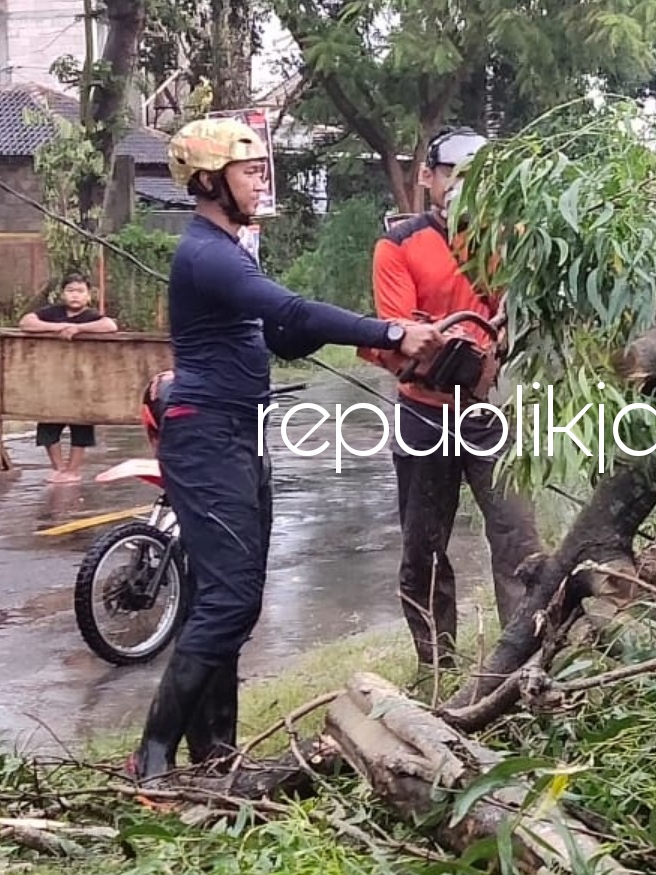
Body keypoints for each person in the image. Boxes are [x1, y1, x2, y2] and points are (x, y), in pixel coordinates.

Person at [124, 116, 444, 782]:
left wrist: (303, 331)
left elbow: (278, 333)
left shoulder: (231, 249)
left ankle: (215, 749)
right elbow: (293, 314)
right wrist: (391, 328)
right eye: (249, 171)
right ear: (209, 180)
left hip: (237, 429)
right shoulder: (206, 253)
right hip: (206, 432)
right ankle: (151, 756)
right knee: (230, 599)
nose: (259, 182)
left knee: (228, 593)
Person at [359, 125, 544, 671]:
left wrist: (508, 335)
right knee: (424, 548)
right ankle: (436, 666)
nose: (462, 186)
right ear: (428, 177)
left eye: (476, 178)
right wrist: (449, 346)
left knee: (517, 539)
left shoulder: (507, 237)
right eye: (452, 175)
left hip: (488, 412)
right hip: (424, 413)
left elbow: (522, 312)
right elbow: (398, 332)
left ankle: (519, 661)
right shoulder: (399, 245)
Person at [17, 272, 120, 483]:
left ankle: (73, 470)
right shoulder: (52, 313)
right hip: (52, 380)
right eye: (70, 290)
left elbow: (110, 326)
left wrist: (78, 329)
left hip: (83, 382)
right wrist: (60, 328)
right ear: (62, 294)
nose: (75, 295)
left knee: (81, 426)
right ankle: (59, 467)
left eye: (80, 291)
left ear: (88, 295)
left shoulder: (91, 316)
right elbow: (26, 322)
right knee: (48, 424)